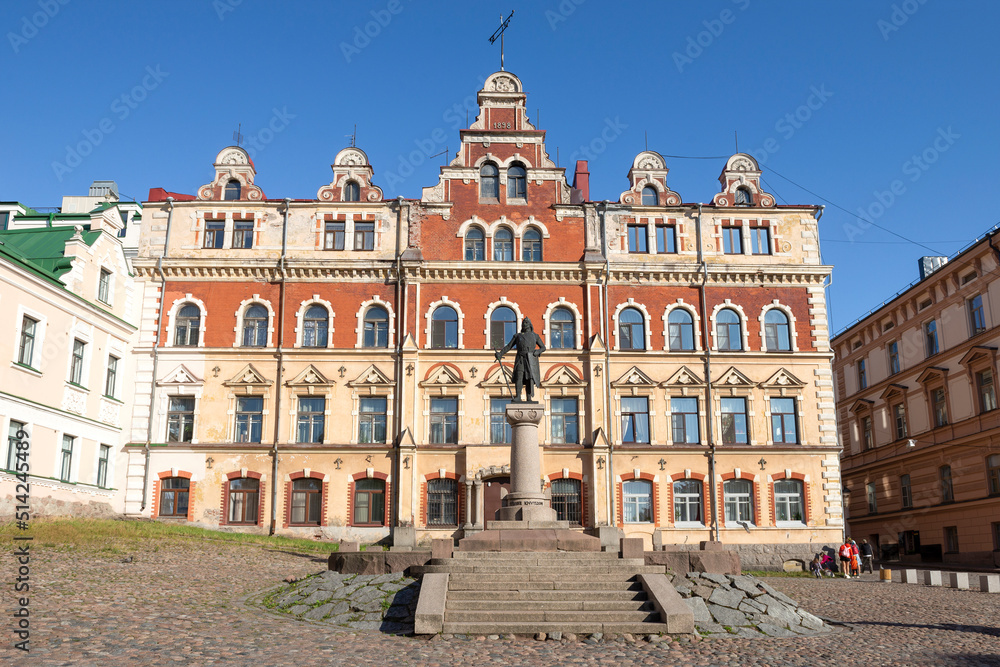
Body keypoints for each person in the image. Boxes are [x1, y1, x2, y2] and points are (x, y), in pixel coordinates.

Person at [495, 318, 545, 403]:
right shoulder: (517, 336)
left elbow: (543, 347)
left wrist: (538, 351)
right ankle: (518, 396)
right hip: (520, 358)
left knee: (530, 378)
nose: (524, 324)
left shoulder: (535, 336)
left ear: (530, 324)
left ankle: (529, 398)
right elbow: (509, 346)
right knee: (519, 377)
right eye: (523, 323)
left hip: (531, 359)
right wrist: (500, 353)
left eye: (526, 323)